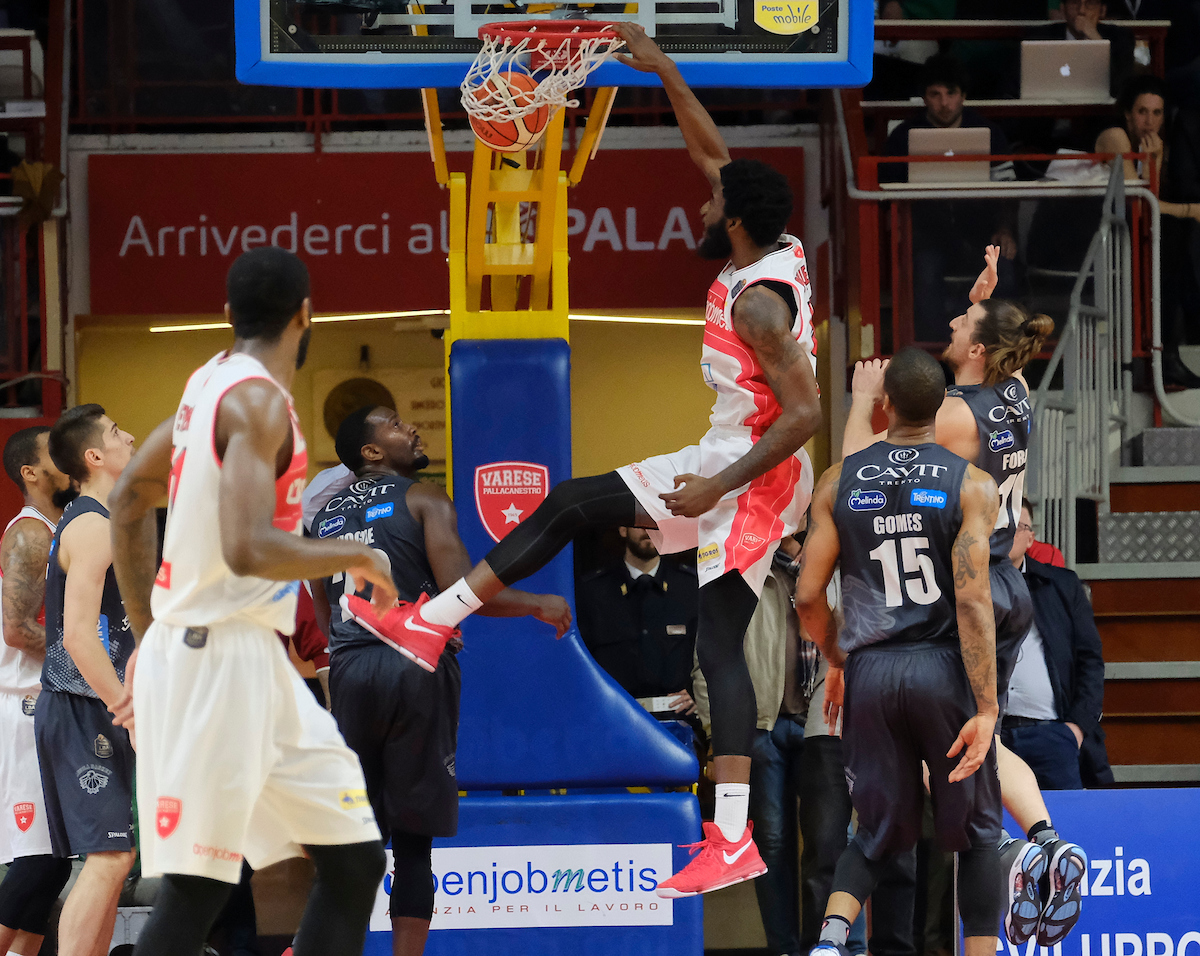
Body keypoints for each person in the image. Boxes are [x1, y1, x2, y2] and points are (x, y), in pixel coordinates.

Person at [339, 22, 823, 899]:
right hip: (737, 457)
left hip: (751, 473)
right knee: (673, 601)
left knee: (612, 543)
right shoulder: (770, 241)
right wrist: (663, 67)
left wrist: (719, 484)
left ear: (736, 222)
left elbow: (807, 413)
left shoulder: (761, 305)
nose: (702, 206)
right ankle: (734, 840)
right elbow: (710, 152)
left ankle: (436, 618)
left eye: (712, 206)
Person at [106, 247, 397, 956]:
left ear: (229, 314)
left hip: (249, 659)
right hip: (215, 656)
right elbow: (246, 546)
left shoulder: (207, 381)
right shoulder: (258, 402)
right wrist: (359, 553)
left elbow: (130, 496)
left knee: (355, 859)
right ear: (306, 314)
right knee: (198, 888)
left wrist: (148, 638)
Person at [842, 247, 1087, 949]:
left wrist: (862, 402)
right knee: (985, 733)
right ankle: (1044, 840)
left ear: (978, 350)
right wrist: (985, 298)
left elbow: (862, 468)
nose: (948, 324)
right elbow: (992, 349)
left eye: (960, 322)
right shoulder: (1016, 393)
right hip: (1010, 580)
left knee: (943, 743)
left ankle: (1005, 849)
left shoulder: (954, 416)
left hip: (967, 590)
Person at [309, 405, 570, 956]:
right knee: (413, 845)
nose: (410, 428)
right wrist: (537, 603)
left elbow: (323, 612)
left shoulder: (323, 516)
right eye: (394, 424)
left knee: (351, 840)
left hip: (352, 671)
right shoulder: (424, 498)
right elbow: (464, 594)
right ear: (371, 451)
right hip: (414, 667)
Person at [796, 347, 1004, 956]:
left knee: (874, 833)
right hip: (942, 669)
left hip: (872, 671)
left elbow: (807, 595)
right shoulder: (972, 484)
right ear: (942, 405)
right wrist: (987, 706)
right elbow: (973, 602)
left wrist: (839, 658)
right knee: (978, 834)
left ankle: (831, 941)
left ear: (883, 403)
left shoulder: (838, 481)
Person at [35, 405, 138, 956]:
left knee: (117, 860)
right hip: (82, 705)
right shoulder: (93, 525)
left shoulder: (100, 519)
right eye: (118, 432)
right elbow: (77, 635)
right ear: (94, 456)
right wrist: (127, 708)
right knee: (109, 858)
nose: (132, 437)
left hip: (96, 703)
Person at [690, 532, 818, 956]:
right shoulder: (741, 565)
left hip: (820, 722)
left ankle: (826, 944)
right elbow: (708, 661)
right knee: (773, 843)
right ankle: (784, 948)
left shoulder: (826, 563)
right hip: (760, 728)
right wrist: (718, 734)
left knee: (830, 839)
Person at [880, 55, 1019, 344]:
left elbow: (1008, 190)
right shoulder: (902, 137)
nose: (944, 103)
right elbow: (887, 195)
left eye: (951, 93)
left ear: (963, 96)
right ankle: (940, 351)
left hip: (981, 234)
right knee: (924, 274)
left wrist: (1005, 230)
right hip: (926, 238)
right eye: (935, 94)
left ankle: (991, 347)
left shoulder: (990, 133)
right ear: (924, 98)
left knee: (1003, 271)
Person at [0, 427, 76, 956]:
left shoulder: (62, 528)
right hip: (26, 704)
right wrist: (87, 661)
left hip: (51, 698)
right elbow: (16, 629)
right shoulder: (31, 534)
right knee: (35, 860)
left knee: (53, 865)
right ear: (30, 472)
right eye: (55, 452)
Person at [1095, 74, 1200, 388]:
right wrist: (1192, 210)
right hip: (1089, 235)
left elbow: (1149, 204)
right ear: (1128, 114)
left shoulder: (1154, 146)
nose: (1149, 121)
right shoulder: (1116, 136)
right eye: (1142, 112)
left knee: (1172, 244)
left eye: (1157, 113)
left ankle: (1166, 353)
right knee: (1173, 233)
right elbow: (1139, 201)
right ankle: (1164, 357)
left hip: (1127, 234)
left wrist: (1155, 160)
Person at [1004, 499, 1109, 790]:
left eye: (1016, 526)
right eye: (999, 525)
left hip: (1052, 733)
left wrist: (1076, 728)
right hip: (990, 736)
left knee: (1064, 816)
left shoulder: (1061, 585)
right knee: (988, 818)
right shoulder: (963, 588)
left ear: (1030, 538)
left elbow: (1090, 660)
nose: (1005, 533)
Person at [575, 526, 699, 717]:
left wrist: (696, 693)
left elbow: (711, 652)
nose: (649, 530)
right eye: (641, 523)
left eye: (656, 524)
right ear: (623, 530)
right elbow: (580, 656)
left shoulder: (690, 586)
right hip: (614, 717)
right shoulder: (594, 591)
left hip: (679, 717)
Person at [1029, 0, 1136, 99]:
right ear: (1063, 8)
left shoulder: (1120, 37)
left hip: (1099, 109)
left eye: (1090, 3)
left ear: (1102, 11)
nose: (1081, 10)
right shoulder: (1039, 37)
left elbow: (1121, 86)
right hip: (1050, 107)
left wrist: (1096, 40)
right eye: (1074, 2)